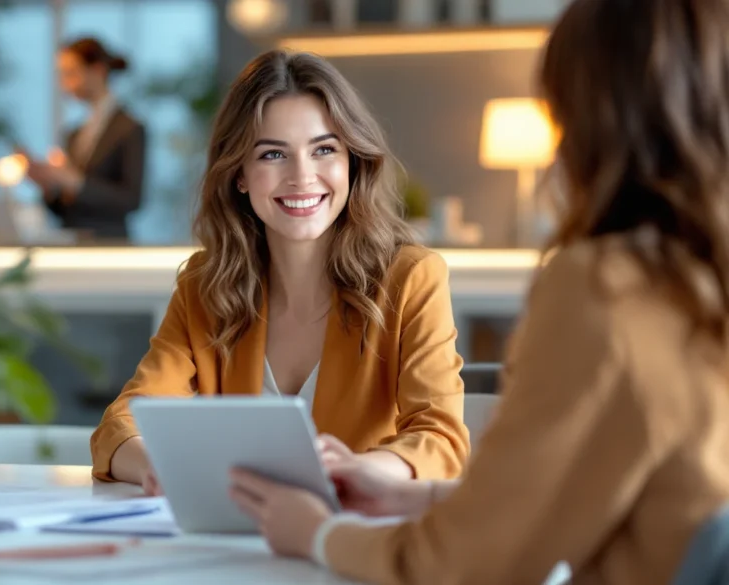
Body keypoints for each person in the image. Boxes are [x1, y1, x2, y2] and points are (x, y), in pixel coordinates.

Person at [227, 0, 729, 583]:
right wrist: (421, 499)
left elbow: (459, 567)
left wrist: (315, 531)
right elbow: (602, 501)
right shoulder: (697, 277)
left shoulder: (602, 287)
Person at [90, 49, 470, 494]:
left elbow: (441, 439)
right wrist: (159, 464)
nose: (302, 177)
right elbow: (119, 426)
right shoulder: (204, 284)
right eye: (273, 155)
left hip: (353, 539)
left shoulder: (412, 278)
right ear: (240, 174)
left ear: (352, 161)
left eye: (324, 149)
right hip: (239, 536)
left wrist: (365, 471)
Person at [23, 37, 145, 240]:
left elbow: (131, 200)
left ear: (97, 70)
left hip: (110, 246)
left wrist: (74, 182)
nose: (64, 85)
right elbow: (66, 209)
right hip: (73, 244)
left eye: (71, 73)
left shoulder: (130, 129)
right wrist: (48, 186)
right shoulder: (73, 134)